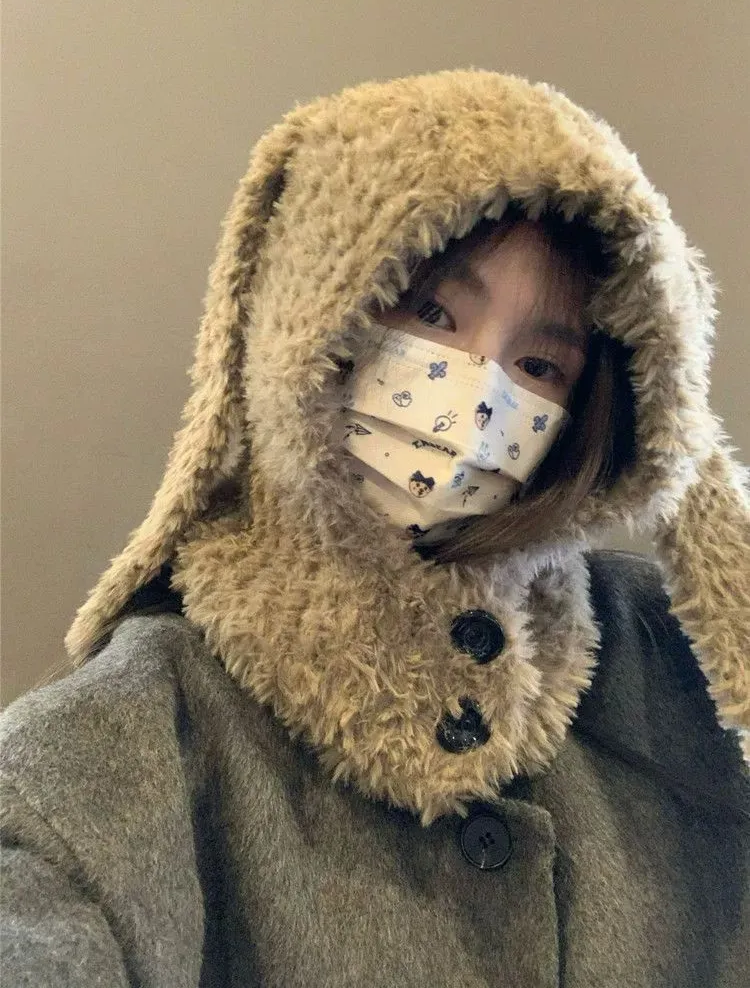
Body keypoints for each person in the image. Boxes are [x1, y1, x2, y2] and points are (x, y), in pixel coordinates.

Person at [1, 69, 748, 987]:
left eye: (539, 365)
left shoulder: (685, 670)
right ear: (306, 308)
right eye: (431, 312)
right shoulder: (115, 747)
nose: (473, 399)